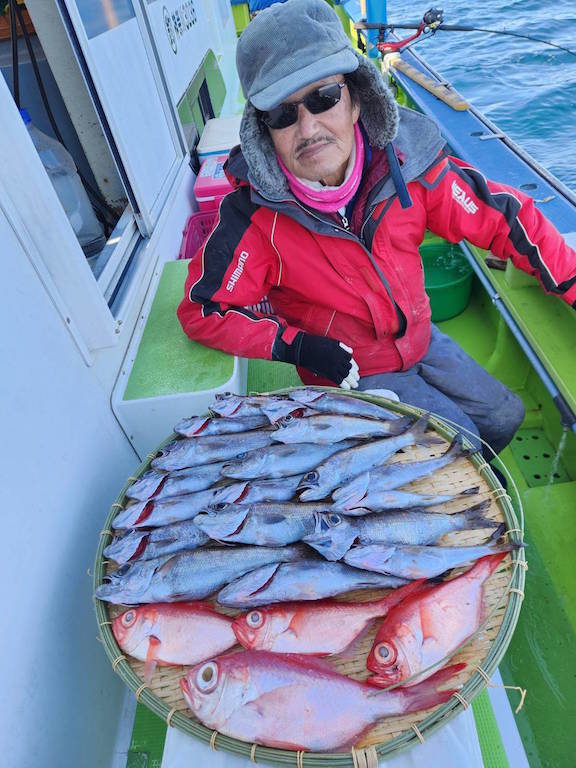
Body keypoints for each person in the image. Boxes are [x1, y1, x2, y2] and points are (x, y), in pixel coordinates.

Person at [177, 0, 576, 455]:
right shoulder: (251, 218)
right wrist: (294, 346)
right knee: (461, 445)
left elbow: (505, 217)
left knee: (506, 416)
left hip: (422, 339)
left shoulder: (411, 166)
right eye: (282, 115)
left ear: (355, 100)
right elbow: (203, 310)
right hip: (351, 369)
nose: (308, 128)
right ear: (263, 131)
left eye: (323, 97)